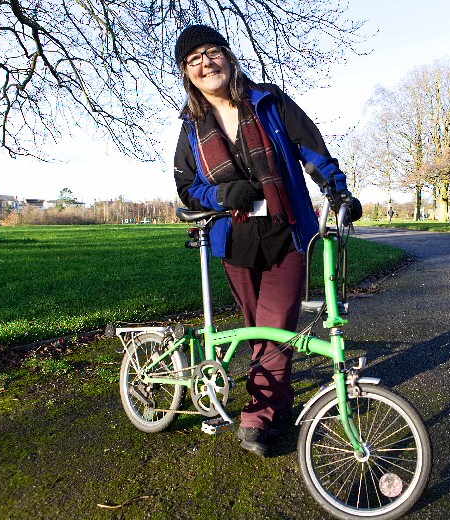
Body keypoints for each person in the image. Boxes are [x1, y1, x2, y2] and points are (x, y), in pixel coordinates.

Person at [172, 25, 357, 457]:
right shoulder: (191, 128)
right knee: (259, 330)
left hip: (286, 232)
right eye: (194, 59)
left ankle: (257, 418)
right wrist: (221, 194)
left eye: (212, 52)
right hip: (233, 239)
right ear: (187, 74)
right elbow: (186, 187)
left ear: (228, 58)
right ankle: (278, 400)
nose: (206, 63)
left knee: (274, 329)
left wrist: (338, 190)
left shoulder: (269, 102)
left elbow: (312, 150)